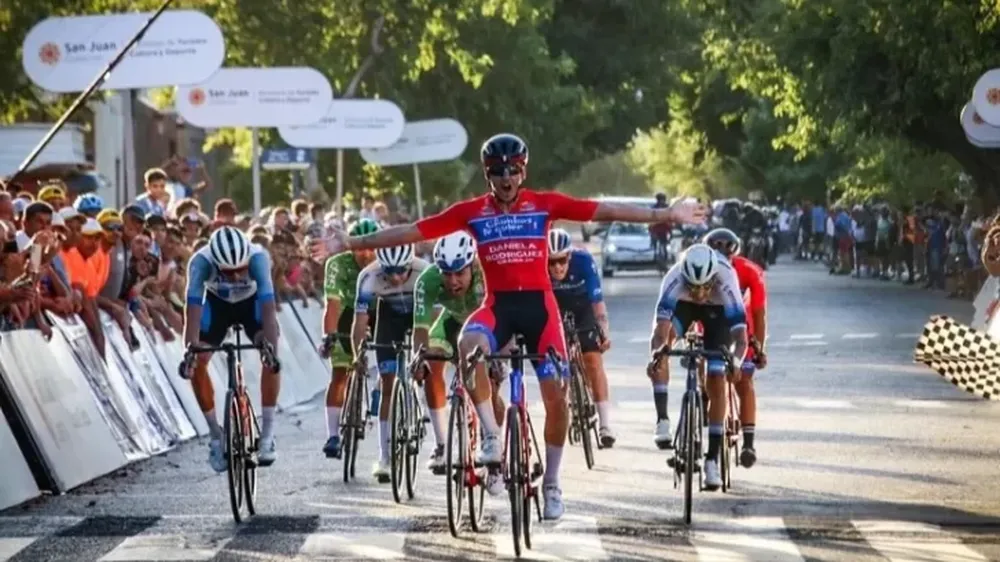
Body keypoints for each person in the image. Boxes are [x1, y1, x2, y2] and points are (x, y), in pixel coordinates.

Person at [310, 132, 706, 520]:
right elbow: (415, 230)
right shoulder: (471, 212)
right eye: (498, 171)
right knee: (467, 345)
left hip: (540, 312)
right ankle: (491, 435)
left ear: (523, 170)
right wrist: (348, 242)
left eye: (513, 170)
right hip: (497, 308)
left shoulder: (542, 204)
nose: (506, 178)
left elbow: (603, 210)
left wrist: (666, 214)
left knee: (557, 397)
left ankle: (551, 483)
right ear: (487, 174)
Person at [646, 243, 749, 491]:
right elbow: (660, 334)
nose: (701, 292)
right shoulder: (674, 280)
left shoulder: (727, 281)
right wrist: (658, 355)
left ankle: (712, 459)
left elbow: (741, 340)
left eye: (705, 286)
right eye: (694, 286)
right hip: (685, 308)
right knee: (662, 343)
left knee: (717, 379)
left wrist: (735, 362)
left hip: (718, 314)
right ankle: (662, 420)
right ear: (684, 278)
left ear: (714, 278)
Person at [181, 226, 282, 473]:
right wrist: (190, 350)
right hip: (217, 307)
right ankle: (216, 436)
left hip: (251, 306)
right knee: (198, 360)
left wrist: (270, 349)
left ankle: (267, 435)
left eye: (240, 270)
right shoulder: (200, 263)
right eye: (228, 272)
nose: (236, 277)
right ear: (216, 263)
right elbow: (192, 311)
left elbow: (268, 311)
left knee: (270, 353)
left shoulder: (258, 259)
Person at [410, 231, 493, 473]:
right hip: (452, 321)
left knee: (491, 381)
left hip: (484, 324)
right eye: (446, 273)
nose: (453, 280)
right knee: (430, 363)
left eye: (459, 273)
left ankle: (493, 441)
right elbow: (421, 328)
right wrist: (419, 358)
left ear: (473, 265)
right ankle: (442, 444)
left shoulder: (485, 274)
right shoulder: (427, 280)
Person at [351, 243, 429, 482]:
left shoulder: (425, 271)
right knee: (387, 384)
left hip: (419, 315)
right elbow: (360, 323)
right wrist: (358, 356)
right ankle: (384, 457)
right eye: (389, 272)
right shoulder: (368, 276)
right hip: (389, 318)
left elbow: (432, 323)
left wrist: (423, 356)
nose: (395, 277)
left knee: (423, 363)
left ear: (411, 263)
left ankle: (420, 397)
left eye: (401, 271)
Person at [702, 228, 767, 468]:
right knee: (707, 374)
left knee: (744, 381)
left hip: (741, 329)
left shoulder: (750, 271)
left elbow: (759, 315)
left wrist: (759, 347)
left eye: (727, 258)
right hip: (709, 324)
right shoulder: (700, 266)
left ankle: (749, 443)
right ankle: (706, 405)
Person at [546, 228, 615, 446]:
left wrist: (604, 328)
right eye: (552, 262)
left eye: (562, 261)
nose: (557, 267)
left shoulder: (584, 261)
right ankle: (568, 402)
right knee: (555, 362)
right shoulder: (538, 266)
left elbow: (597, 302)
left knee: (593, 361)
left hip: (582, 306)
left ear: (569, 256)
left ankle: (605, 424)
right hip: (555, 307)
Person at [320, 219, 380, 460]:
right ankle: (333, 435)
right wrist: (329, 336)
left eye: (370, 247)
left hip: (379, 311)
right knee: (339, 373)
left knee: (390, 357)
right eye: (359, 247)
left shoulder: (386, 263)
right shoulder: (337, 264)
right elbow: (332, 305)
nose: (365, 254)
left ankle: (377, 396)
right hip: (348, 313)